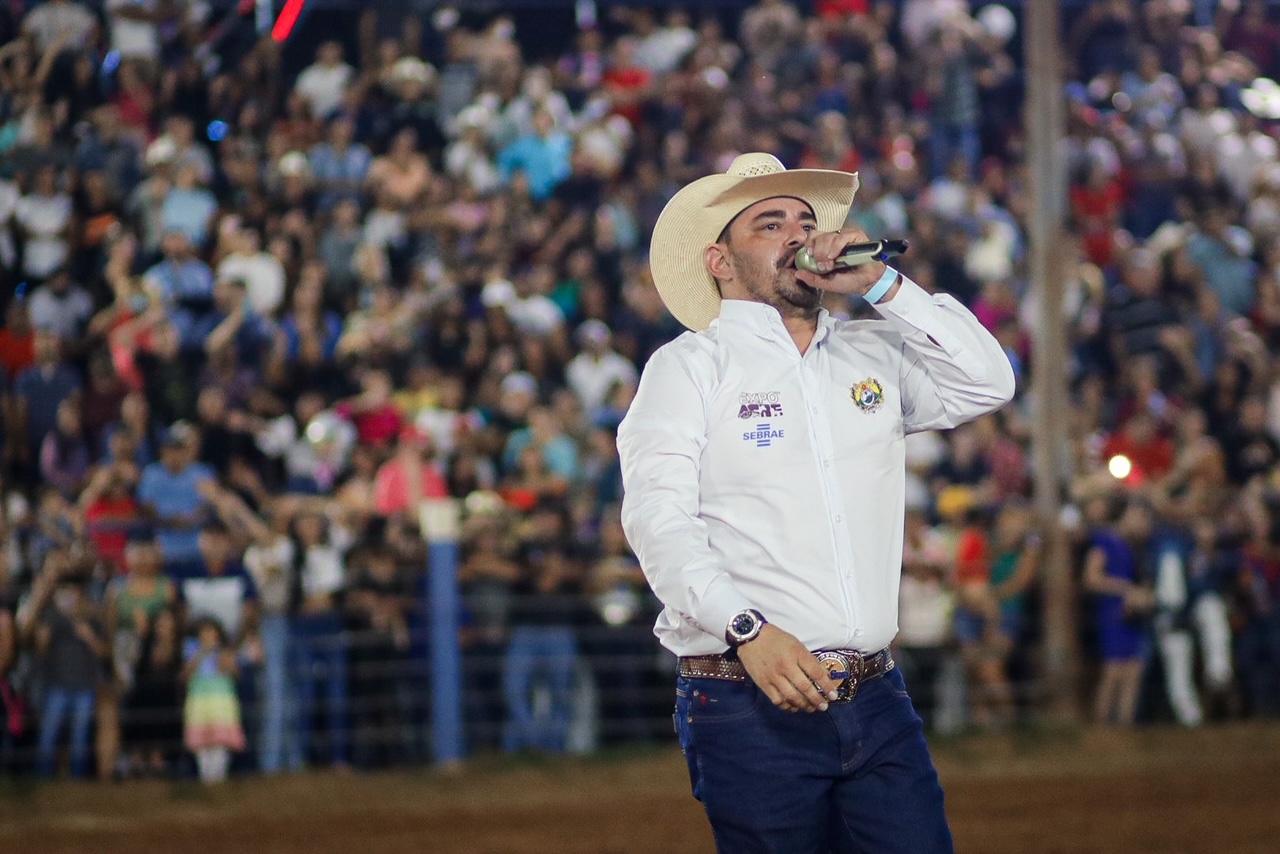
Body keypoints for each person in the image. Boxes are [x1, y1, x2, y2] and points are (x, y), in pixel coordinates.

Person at [617, 153, 1015, 853]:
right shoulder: (689, 367)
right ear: (720, 260)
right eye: (770, 224)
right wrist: (748, 630)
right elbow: (658, 522)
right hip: (745, 696)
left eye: (806, 221)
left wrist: (884, 284)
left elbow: (989, 383)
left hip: (875, 693)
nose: (799, 236)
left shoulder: (874, 350)